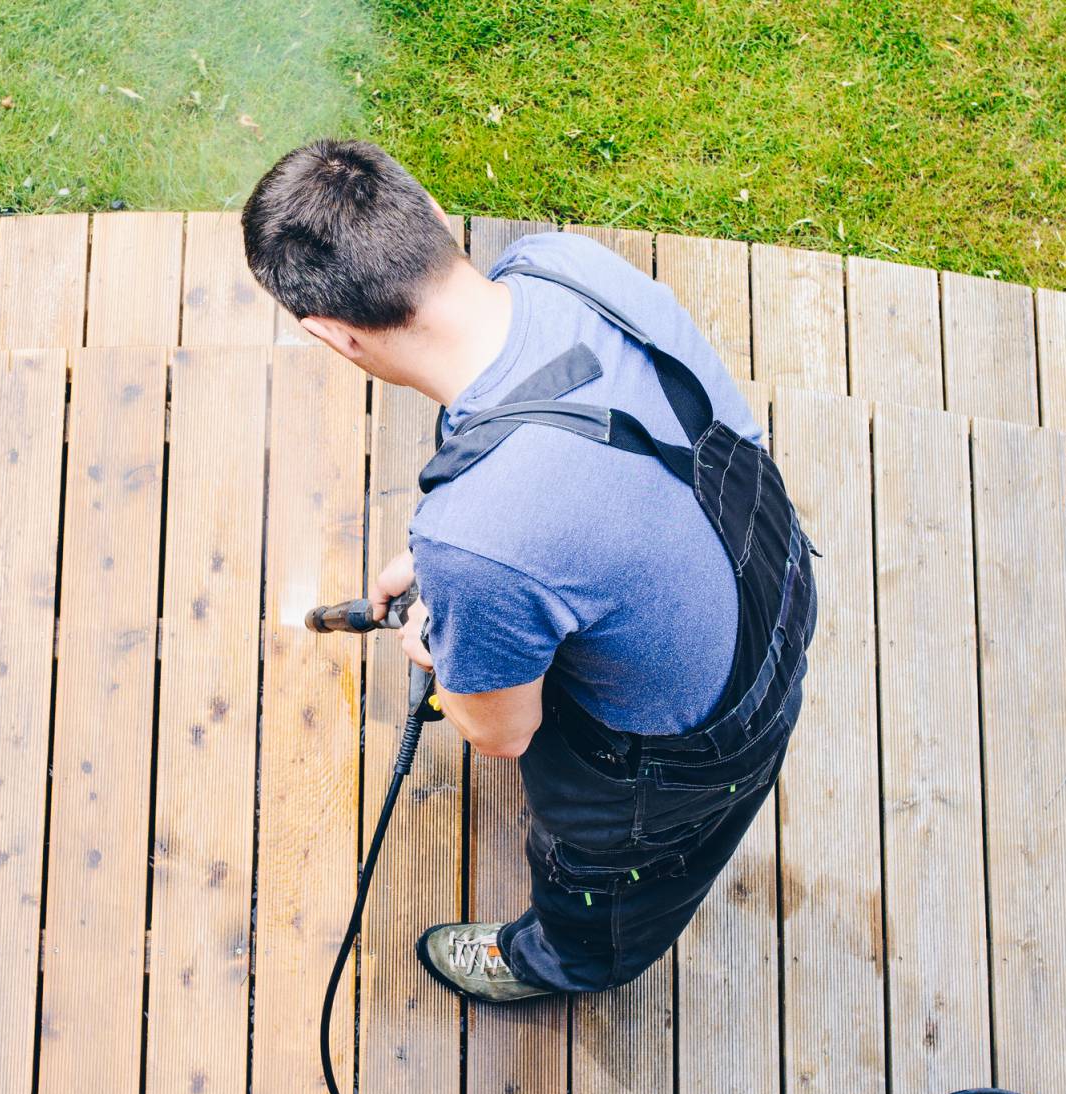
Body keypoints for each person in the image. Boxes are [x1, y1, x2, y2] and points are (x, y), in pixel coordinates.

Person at [241, 139, 817, 1003]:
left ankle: (563, 962)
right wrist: (468, 566)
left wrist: (454, 625)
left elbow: (501, 734)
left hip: (693, 752)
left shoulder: (478, 539)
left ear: (332, 336)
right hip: (769, 577)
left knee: (607, 881)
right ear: (433, 211)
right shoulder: (560, 266)